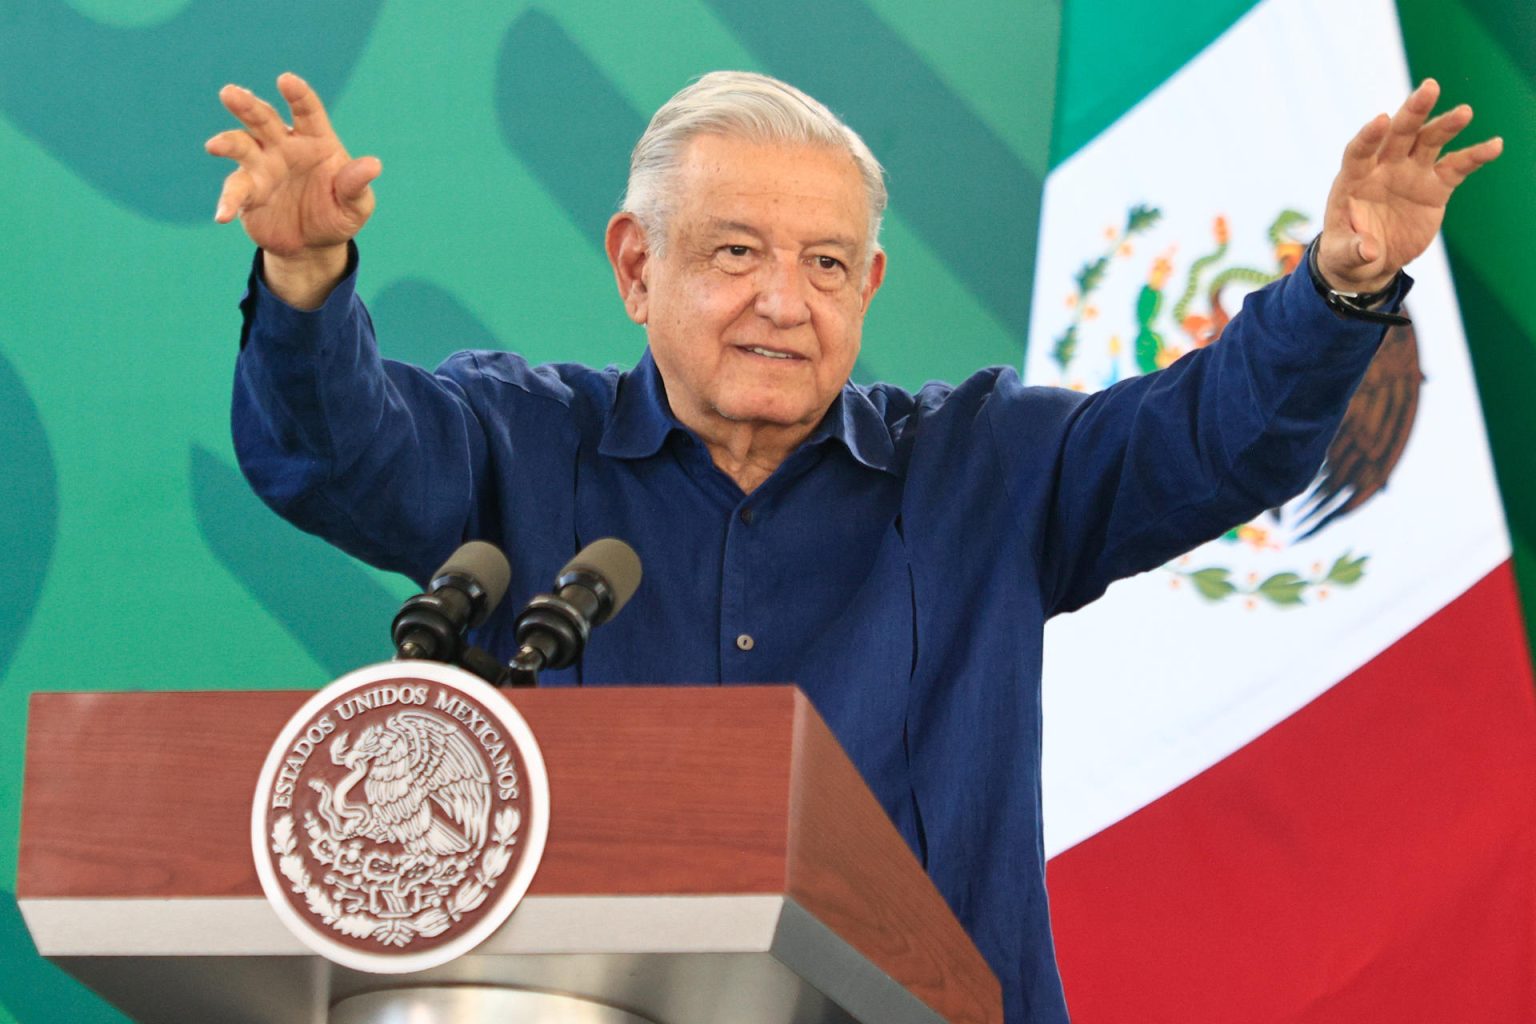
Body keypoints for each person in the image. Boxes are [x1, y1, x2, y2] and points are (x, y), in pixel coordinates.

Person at [209, 70, 1500, 1023]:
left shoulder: (987, 468)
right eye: (736, 254)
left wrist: (1338, 290)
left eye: (828, 264)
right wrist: (309, 286)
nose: (785, 300)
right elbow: (337, 458)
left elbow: (1214, 439)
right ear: (634, 266)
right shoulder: (517, 444)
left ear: (871, 291)